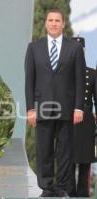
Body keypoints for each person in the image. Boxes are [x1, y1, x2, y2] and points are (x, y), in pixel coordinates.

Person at [24, 9, 86, 197]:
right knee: (44, 151)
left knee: (65, 152)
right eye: (50, 20)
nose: (53, 23)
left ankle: (62, 188)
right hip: (42, 108)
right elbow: (29, 81)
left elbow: (79, 80)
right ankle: (47, 188)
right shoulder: (33, 48)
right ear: (46, 24)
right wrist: (30, 109)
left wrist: (78, 107)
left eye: (57, 20)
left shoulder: (74, 48)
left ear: (63, 24)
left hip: (67, 108)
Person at [70, 36, 96, 197]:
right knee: (69, 158)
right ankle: (69, 191)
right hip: (68, 119)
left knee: (85, 160)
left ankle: (83, 193)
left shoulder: (92, 74)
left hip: (86, 120)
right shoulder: (62, 73)